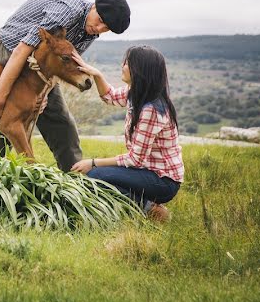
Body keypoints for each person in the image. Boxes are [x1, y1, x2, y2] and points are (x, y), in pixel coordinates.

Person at [0, 0, 130, 171]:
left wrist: (43, 94)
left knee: (62, 123)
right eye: (100, 21)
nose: (99, 29)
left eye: (105, 29)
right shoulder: (65, 11)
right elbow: (22, 50)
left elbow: (61, 66)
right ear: (93, 7)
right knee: (6, 120)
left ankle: (74, 180)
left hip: (43, 66)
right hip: (11, 53)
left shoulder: (90, 32)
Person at [71, 46, 184, 222]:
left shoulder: (151, 109)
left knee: (95, 176)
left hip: (163, 181)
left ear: (140, 70)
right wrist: (97, 75)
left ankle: (150, 209)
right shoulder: (136, 94)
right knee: (97, 176)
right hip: (146, 171)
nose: (122, 66)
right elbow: (109, 96)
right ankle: (142, 204)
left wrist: (93, 163)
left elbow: (135, 160)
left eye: (128, 63)